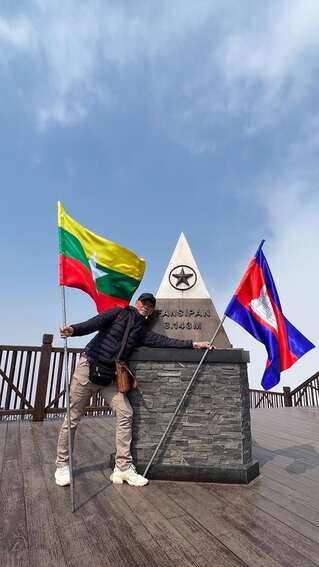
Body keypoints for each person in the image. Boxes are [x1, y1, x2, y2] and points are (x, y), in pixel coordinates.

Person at [55, 292, 212, 487]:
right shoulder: (117, 313)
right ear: (137, 303)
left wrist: (194, 344)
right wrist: (73, 330)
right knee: (73, 418)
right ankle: (62, 465)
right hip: (88, 368)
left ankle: (122, 468)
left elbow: (165, 341)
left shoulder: (142, 332)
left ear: (151, 310)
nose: (146, 306)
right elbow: (94, 323)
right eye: (144, 302)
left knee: (125, 412)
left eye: (150, 305)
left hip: (109, 377)